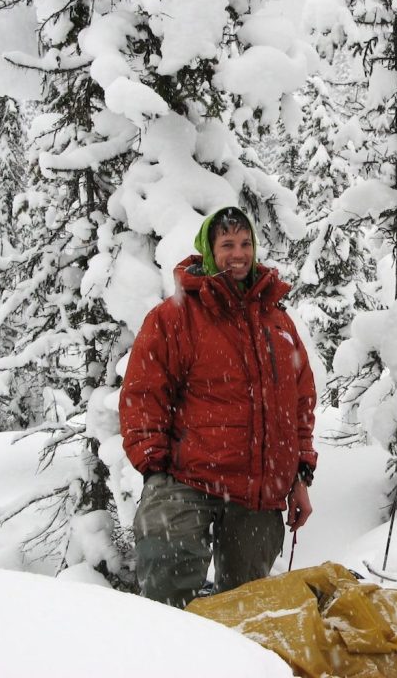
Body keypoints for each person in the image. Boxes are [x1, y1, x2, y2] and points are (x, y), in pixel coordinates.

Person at [120, 206, 317, 607]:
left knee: (246, 609)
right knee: (168, 594)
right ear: (209, 251)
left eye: (245, 244)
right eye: (227, 245)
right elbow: (143, 394)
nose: (238, 253)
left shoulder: (277, 321)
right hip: (186, 479)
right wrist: (154, 469)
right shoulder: (174, 317)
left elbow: (299, 403)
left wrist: (299, 475)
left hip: (257, 494)